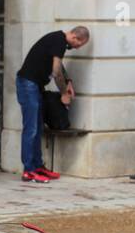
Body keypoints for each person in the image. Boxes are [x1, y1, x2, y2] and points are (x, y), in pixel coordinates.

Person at [15, 26, 89, 183]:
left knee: (38, 126)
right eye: (79, 45)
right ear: (76, 37)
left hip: (34, 86)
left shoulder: (58, 40)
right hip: (28, 85)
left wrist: (68, 81)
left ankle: (38, 166)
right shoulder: (59, 41)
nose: (77, 48)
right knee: (31, 128)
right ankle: (28, 170)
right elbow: (56, 71)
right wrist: (63, 93)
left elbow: (58, 65)